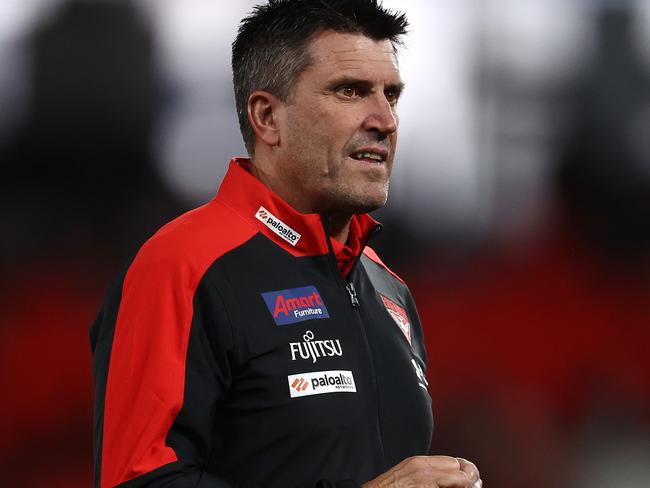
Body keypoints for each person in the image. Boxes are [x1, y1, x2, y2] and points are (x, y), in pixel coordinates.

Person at [90, 1, 482, 487]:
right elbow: (140, 482)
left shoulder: (388, 287)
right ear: (267, 117)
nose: (385, 119)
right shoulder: (181, 267)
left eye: (392, 95)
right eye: (350, 91)